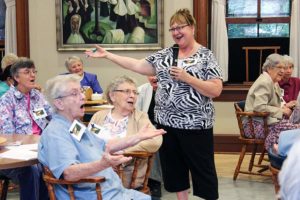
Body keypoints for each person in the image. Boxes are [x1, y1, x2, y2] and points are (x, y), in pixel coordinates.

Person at [85, 8, 222, 200]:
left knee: (204, 172)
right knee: (174, 171)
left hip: (196, 125)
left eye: (180, 27)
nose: (176, 32)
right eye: (172, 29)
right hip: (167, 124)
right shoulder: (165, 55)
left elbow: (216, 90)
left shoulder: (205, 56)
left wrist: (188, 78)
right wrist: (108, 54)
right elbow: (137, 65)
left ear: (192, 27)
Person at [38, 74, 166, 199]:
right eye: (74, 93)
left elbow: (105, 145)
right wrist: (103, 164)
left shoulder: (75, 126)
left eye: (81, 91)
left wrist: (136, 137)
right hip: (96, 194)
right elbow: (69, 172)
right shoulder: (56, 132)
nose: (83, 97)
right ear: (59, 103)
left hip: (115, 191)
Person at [89, 75, 162, 188]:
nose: (132, 95)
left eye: (135, 92)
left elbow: (155, 141)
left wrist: (122, 151)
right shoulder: (99, 116)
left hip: (126, 175)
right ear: (112, 96)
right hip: (97, 171)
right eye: (127, 92)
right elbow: (88, 140)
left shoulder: (140, 117)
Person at [0, 57, 52, 200]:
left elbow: (52, 115)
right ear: (16, 77)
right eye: (27, 72)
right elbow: (7, 134)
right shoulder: (7, 100)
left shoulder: (37, 96)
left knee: (54, 166)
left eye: (34, 71)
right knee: (34, 170)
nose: (33, 75)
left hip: (41, 148)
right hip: (16, 154)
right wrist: (31, 145)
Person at [244, 53, 300, 151]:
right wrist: (282, 111)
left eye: (284, 67)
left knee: (296, 120)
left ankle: (282, 154)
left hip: (267, 122)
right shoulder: (264, 82)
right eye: (279, 67)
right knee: (295, 129)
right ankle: (278, 153)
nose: (283, 71)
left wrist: (285, 106)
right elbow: (259, 107)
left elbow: (270, 105)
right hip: (254, 126)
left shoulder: (273, 81)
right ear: (269, 68)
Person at [136, 76, 163, 198]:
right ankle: (154, 182)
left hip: (171, 128)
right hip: (151, 127)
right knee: (152, 144)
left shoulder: (175, 89)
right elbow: (137, 113)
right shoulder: (142, 90)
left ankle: (178, 181)